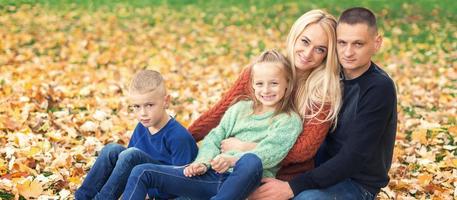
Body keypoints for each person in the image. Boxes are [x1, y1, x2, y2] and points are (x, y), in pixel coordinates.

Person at [249, 7, 397, 200]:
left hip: (355, 183)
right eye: (342, 43)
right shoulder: (328, 77)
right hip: (313, 172)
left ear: (377, 43)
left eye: (358, 44)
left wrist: (291, 187)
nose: (348, 52)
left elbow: (353, 158)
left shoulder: (378, 88)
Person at [122, 50, 303, 200]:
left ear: (287, 84)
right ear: (253, 86)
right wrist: (202, 163)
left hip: (247, 183)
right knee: (142, 171)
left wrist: (232, 159)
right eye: (260, 84)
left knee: (251, 160)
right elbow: (215, 138)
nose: (266, 90)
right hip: (213, 176)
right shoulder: (240, 109)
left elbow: (271, 152)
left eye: (273, 83)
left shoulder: (288, 120)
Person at [188, 9, 342, 181]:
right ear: (295, 37)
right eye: (305, 41)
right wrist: (185, 137)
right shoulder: (263, 70)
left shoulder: (323, 93)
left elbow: (303, 150)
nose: (307, 53)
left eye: (320, 49)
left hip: (281, 178)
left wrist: (246, 147)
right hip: (227, 167)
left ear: (327, 55)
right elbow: (218, 114)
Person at [75, 70, 198, 200]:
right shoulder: (142, 127)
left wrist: (151, 193)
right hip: (142, 181)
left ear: (165, 101)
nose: (143, 113)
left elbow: (183, 182)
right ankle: (82, 197)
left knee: (131, 154)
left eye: (149, 105)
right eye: (137, 106)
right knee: (111, 150)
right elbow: (126, 168)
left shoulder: (178, 136)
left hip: (168, 191)